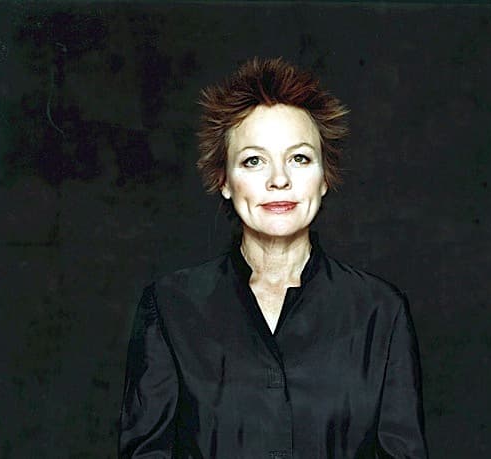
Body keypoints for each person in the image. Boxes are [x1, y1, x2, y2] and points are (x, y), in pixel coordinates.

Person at [118, 57, 428, 458]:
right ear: (224, 181)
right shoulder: (170, 306)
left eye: (299, 158)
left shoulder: (381, 310)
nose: (279, 179)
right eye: (253, 160)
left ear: (324, 177)